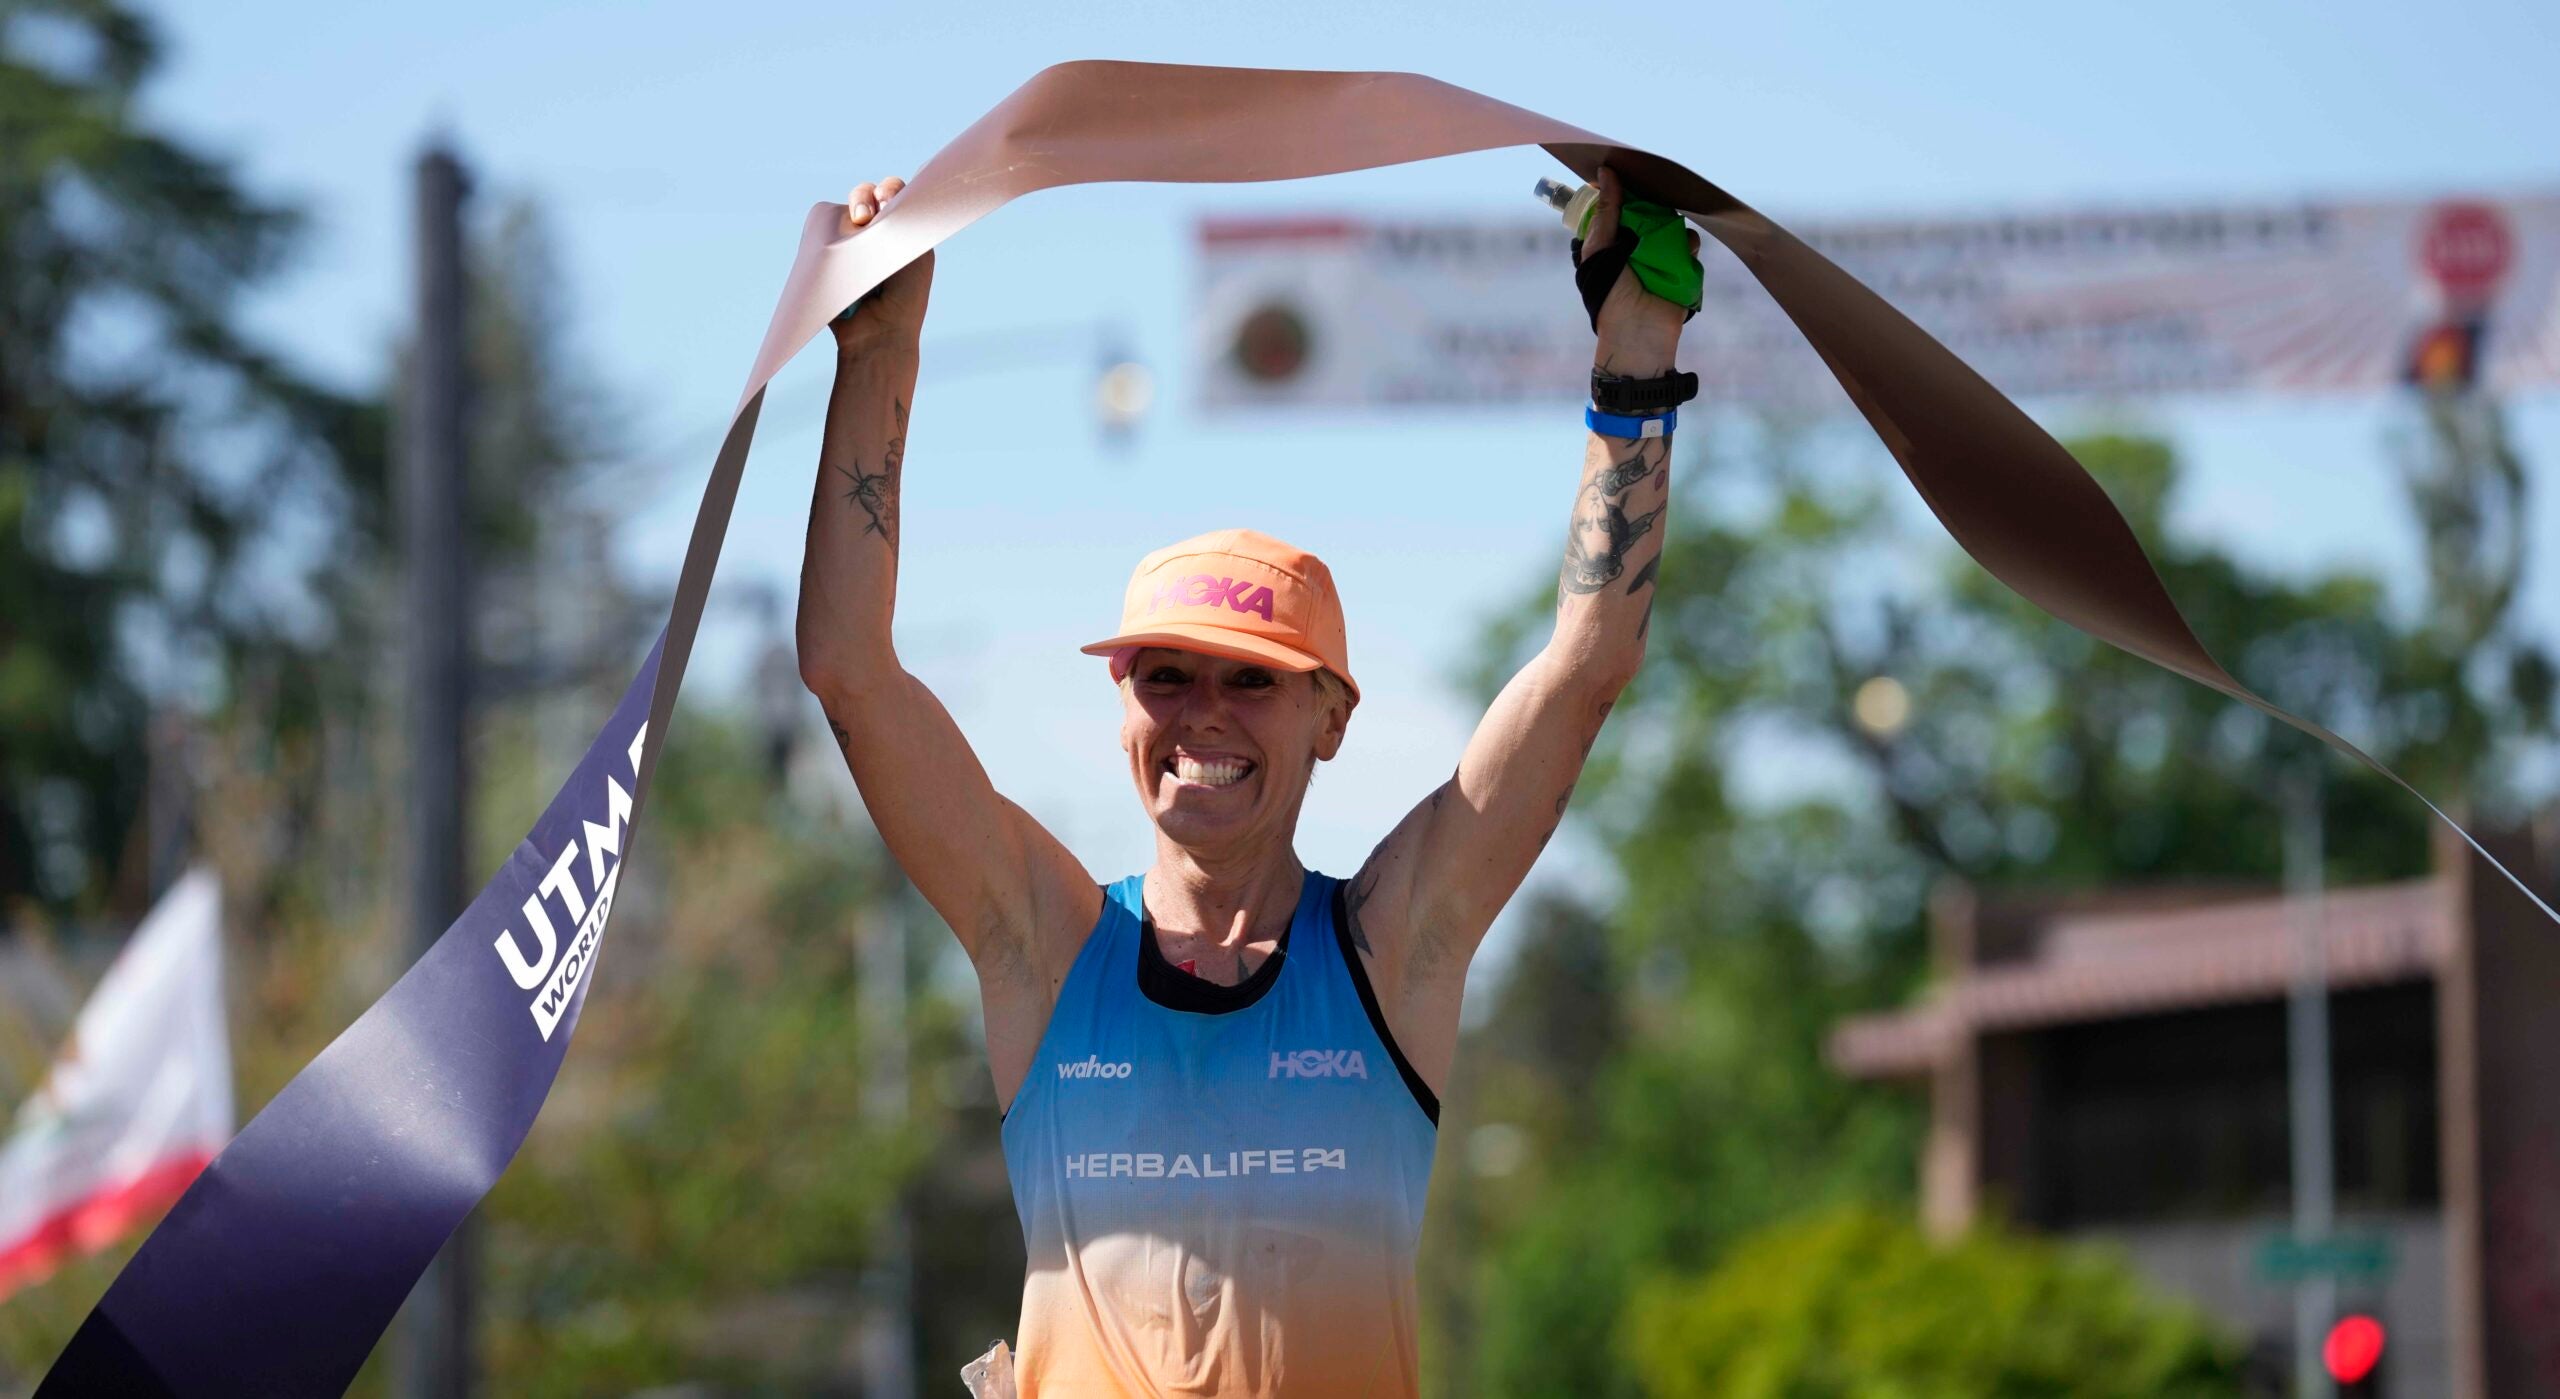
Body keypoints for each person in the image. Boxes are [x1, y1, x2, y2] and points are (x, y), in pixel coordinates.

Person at [798, 168, 1692, 1398]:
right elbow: (849, 670)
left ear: (1331, 718)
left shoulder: (1390, 951)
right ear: (1121, 709)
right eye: (1164, 676)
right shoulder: (1049, 948)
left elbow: (1588, 666)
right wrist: (879, 354)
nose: (1201, 716)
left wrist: (1634, 369)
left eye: (1252, 683)